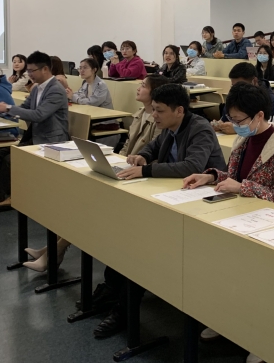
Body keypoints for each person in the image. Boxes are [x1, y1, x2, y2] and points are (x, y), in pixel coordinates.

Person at [92, 84, 227, 339]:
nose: (154, 115)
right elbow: (153, 147)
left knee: (141, 244)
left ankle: (123, 309)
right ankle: (112, 290)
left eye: (159, 111)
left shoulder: (199, 128)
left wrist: (145, 170)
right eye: (153, 109)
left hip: (203, 206)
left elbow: (191, 166)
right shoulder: (169, 127)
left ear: (179, 110)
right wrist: (142, 156)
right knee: (126, 234)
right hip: (173, 197)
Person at [0, 52, 70, 213]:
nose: (29, 74)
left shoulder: (56, 90)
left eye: (31, 70)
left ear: (45, 69)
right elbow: (24, 108)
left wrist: (8, 108)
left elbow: (38, 115)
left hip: (51, 140)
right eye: (28, 71)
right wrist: (2, 113)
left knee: (10, 159)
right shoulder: (37, 88)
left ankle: (0, 196)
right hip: (35, 136)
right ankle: (13, 192)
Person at [215, 63, 274, 134]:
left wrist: (236, 129)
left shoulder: (270, 101)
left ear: (254, 81)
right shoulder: (235, 97)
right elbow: (225, 119)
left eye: (241, 85)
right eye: (233, 86)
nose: (237, 89)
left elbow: (270, 129)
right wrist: (220, 125)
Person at [119, 75, 171, 157]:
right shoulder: (139, 113)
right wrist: (119, 159)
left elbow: (154, 152)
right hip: (127, 161)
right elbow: (127, 145)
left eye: (143, 86)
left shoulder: (160, 119)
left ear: (154, 92)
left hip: (142, 162)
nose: (138, 89)